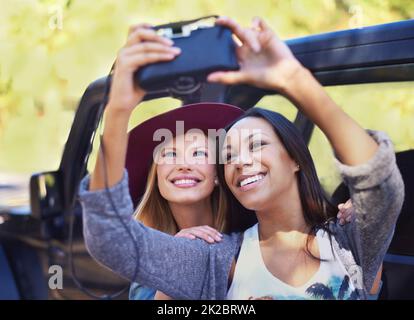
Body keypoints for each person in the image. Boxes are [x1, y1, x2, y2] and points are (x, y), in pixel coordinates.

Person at [79, 17, 402, 299]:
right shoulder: (215, 260)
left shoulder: (349, 242)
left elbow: (378, 180)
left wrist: (294, 80)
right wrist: (118, 109)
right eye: (228, 154)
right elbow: (113, 240)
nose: (239, 160)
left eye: (256, 144)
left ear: (295, 159)